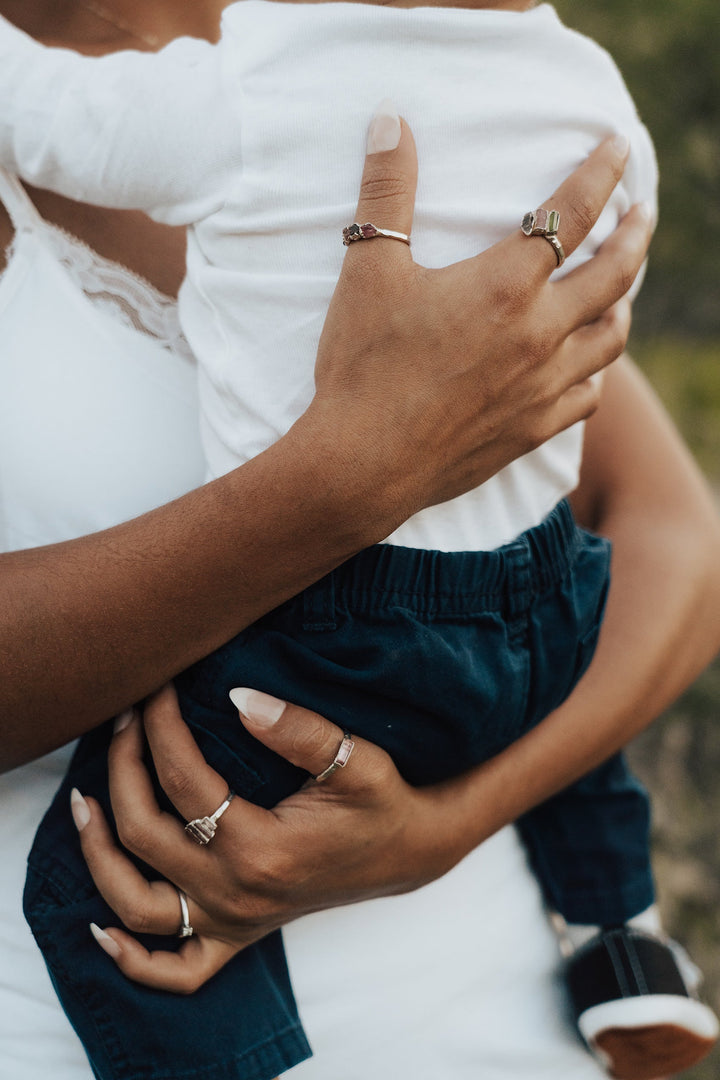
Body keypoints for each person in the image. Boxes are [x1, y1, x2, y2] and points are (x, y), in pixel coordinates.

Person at [0, 2, 718, 1078]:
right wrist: (340, 483)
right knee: (540, 613)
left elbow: (678, 537)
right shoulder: (433, 75)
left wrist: (440, 832)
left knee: (90, 874)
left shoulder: (335, 71)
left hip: (502, 1020)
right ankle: (618, 929)